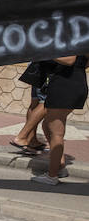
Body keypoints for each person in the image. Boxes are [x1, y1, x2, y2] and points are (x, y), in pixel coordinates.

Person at [31, 55, 88, 185]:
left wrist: (46, 53)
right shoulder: (83, 43)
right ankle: (59, 166)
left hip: (64, 84)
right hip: (78, 82)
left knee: (56, 133)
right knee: (47, 124)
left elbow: (70, 59)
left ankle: (52, 176)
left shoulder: (71, 42)